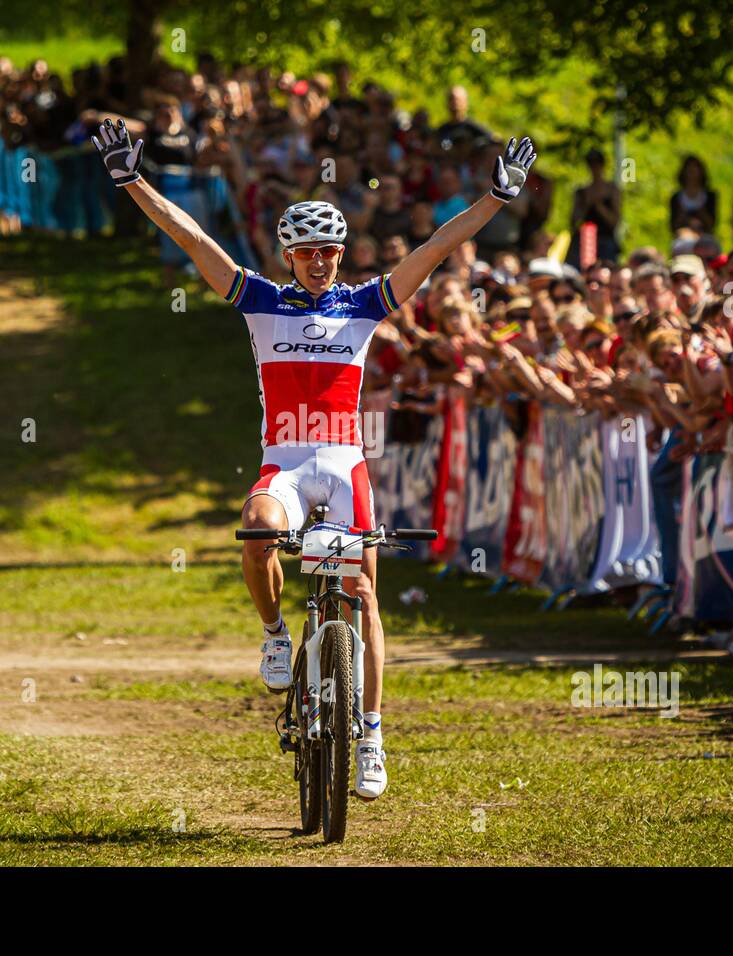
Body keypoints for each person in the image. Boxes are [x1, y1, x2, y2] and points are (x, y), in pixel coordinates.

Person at [91, 117, 536, 800]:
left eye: (328, 249)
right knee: (258, 529)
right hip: (287, 462)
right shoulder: (260, 301)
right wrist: (133, 181)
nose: (319, 260)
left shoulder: (365, 304)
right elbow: (193, 238)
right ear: (288, 256)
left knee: (364, 593)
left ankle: (374, 735)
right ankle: (274, 635)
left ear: (340, 251)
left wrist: (498, 198)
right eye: (306, 252)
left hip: (343, 461)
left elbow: (438, 245)